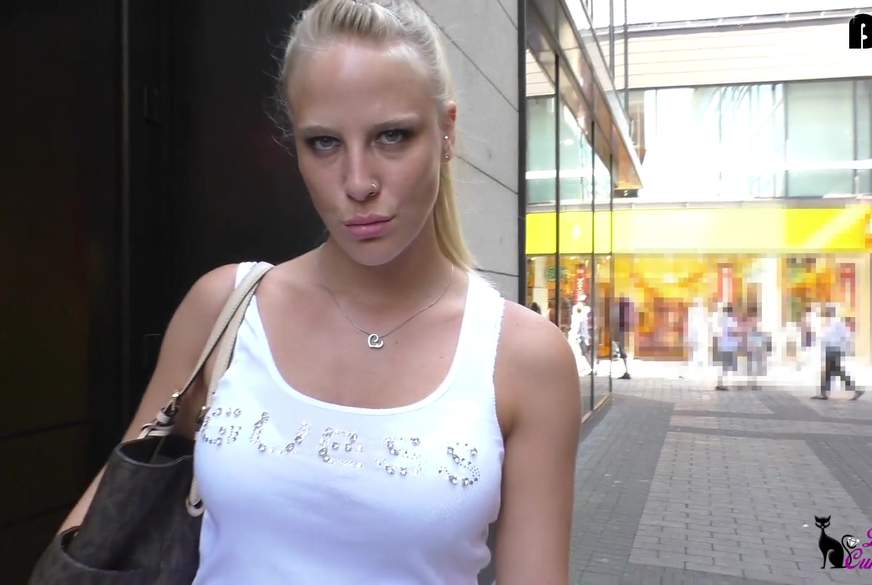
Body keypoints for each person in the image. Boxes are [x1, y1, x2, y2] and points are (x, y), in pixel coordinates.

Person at [56, 2, 581, 583]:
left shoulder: (525, 358)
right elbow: (105, 523)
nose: (358, 183)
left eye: (392, 136)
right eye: (325, 143)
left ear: (447, 132)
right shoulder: (225, 308)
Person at [816, 305, 864, 400]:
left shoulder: (837, 324)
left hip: (835, 350)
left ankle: (855, 390)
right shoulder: (828, 324)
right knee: (831, 372)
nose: (825, 315)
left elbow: (846, 335)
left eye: (827, 313)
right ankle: (824, 393)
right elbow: (825, 338)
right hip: (830, 350)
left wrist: (844, 347)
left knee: (834, 371)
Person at [715, 303, 739, 391]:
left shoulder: (721, 320)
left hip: (723, 345)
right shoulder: (731, 321)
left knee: (723, 366)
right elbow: (734, 333)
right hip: (728, 346)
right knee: (725, 367)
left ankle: (720, 383)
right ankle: (721, 384)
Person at [615, 295, 633, 379]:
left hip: (622, 333)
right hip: (625, 333)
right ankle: (627, 371)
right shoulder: (628, 313)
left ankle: (627, 372)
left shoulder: (622, 314)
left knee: (623, 352)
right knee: (624, 352)